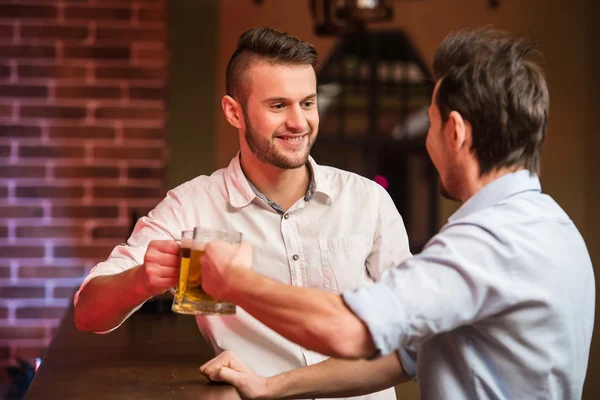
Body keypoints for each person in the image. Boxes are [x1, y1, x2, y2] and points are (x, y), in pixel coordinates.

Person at [198, 28, 595, 399]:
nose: (427, 139)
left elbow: (350, 331)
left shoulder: (488, 241)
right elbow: (406, 353)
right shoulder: (550, 224)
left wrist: (235, 281)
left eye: (431, 123)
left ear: (454, 132)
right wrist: (270, 386)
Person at [73, 27, 412, 400]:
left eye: (308, 103)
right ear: (234, 112)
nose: (299, 122)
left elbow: (409, 328)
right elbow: (88, 314)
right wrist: (142, 280)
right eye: (278, 105)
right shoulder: (192, 207)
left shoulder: (368, 200)